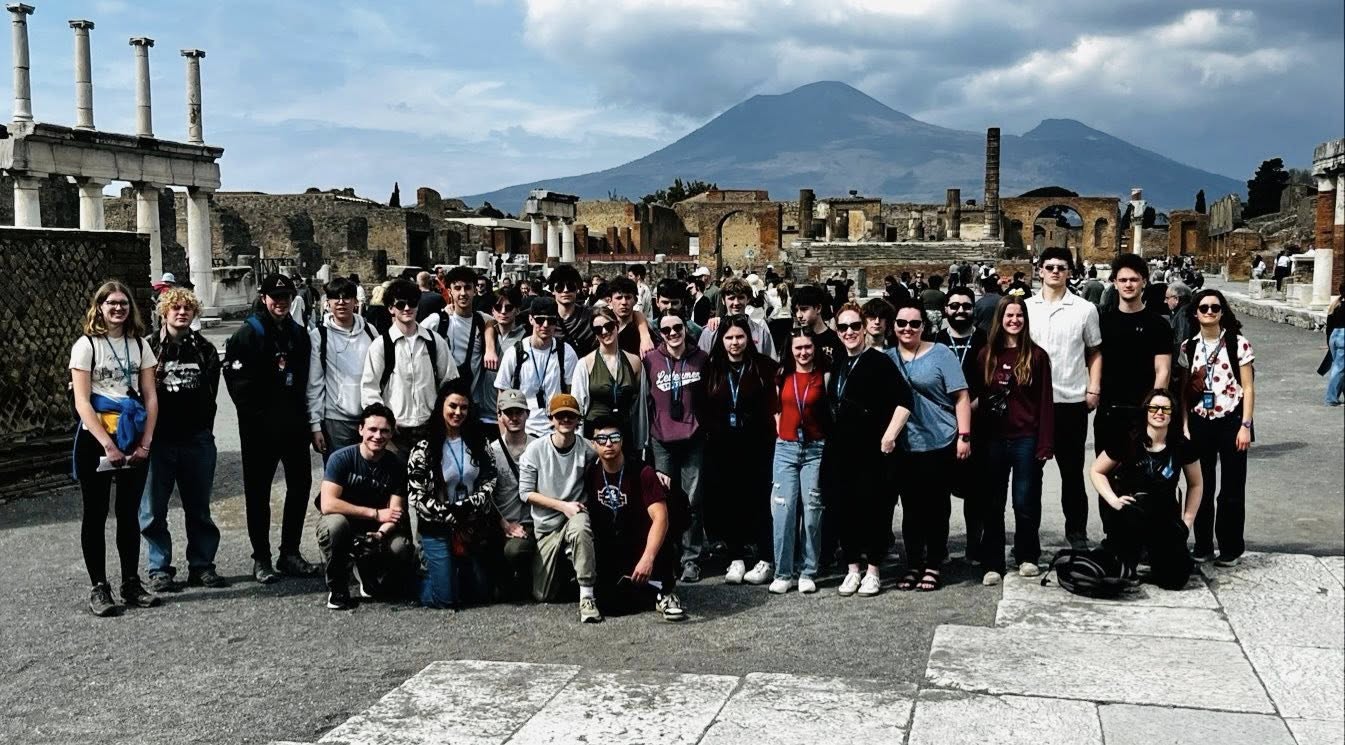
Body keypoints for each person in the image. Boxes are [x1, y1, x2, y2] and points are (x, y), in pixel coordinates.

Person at [70, 281, 161, 616]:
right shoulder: (86, 346)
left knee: (128, 513)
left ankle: (130, 582)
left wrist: (146, 442)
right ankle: (99, 587)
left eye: (123, 303)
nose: (118, 308)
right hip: (97, 436)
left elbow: (150, 395)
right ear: (100, 307)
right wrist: (107, 444)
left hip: (133, 432)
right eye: (111, 303)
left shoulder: (140, 345)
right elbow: (82, 401)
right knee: (95, 514)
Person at [224, 273, 322, 583]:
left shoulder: (298, 334)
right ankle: (261, 557)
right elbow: (238, 387)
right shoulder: (246, 335)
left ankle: (289, 552)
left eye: (286, 297)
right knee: (258, 493)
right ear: (264, 298)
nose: (280, 302)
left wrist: (307, 421)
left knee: (299, 487)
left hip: (293, 426)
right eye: (275, 297)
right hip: (260, 430)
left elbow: (305, 380)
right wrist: (262, 419)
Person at [140, 287, 226, 594]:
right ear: (164, 312)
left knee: (199, 508)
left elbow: (211, 394)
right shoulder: (147, 347)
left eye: (187, 308)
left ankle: (202, 565)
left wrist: (203, 430)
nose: (181, 312)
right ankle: (159, 568)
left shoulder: (204, 349)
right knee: (153, 510)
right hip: (159, 440)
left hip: (196, 439)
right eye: (175, 307)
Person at [825, 304, 913, 597]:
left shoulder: (879, 361)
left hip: (873, 450)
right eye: (843, 327)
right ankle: (853, 569)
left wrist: (889, 436)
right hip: (842, 449)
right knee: (845, 508)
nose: (849, 332)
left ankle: (873, 571)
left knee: (875, 509)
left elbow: (905, 401)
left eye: (854, 326)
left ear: (864, 328)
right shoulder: (839, 362)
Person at [887, 299, 971, 592]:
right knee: (910, 508)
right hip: (905, 444)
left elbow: (961, 396)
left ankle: (933, 563)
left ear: (924, 326)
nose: (907, 328)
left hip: (940, 439)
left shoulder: (941, 354)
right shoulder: (887, 358)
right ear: (894, 326)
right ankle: (913, 564)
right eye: (902, 323)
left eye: (914, 323)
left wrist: (964, 436)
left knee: (936, 506)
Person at [970, 296, 1054, 585]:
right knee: (993, 503)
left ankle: (1027, 555)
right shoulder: (986, 355)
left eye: (1019, 315)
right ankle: (992, 561)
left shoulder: (1037, 356)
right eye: (1009, 315)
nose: (1014, 320)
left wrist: (1045, 442)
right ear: (1000, 319)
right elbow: (977, 399)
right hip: (993, 438)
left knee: (1025, 500)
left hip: (1026, 437)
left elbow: (1045, 401)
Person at [1025, 247, 1102, 550]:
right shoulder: (1026, 308)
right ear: (1040, 270)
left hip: (1070, 400)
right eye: (1050, 267)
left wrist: (1093, 388)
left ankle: (1077, 533)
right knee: (1030, 474)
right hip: (1032, 403)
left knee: (1072, 473)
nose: (1055, 271)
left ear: (1070, 271)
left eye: (1061, 267)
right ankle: (1028, 538)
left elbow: (1094, 351)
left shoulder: (1084, 309)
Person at [1090, 389, 1202, 589]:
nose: (1159, 412)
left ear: (1172, 413)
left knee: (1175, 580)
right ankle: (1127, 561)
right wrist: (1113, 500)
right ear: (1146, 411)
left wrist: (1187, 522)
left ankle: (1158, 563)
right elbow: (1097, 471)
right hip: (1132, 515)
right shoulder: (1129, 439)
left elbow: (1196, 484)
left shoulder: (1181, 444)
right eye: (1154, 408)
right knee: (1120, 576)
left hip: (1164, 516)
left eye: (1165, 409)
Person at [1177, 289, 1255, 567]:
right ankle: (1203, 545)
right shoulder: (1189, 347)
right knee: (1202, 485)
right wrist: (1184, 425)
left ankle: (1231, 547)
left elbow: (1248, 387)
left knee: (1232, 487)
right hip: (1200, 421)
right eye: (1204, 308)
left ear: (1222, 312)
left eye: (1215, 307)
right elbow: (1184, 391)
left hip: (1232, 419)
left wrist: (1246, 426)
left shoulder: (1237, 344)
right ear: (1195, 313)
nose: (1209, 312)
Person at [406, 379, 499, 609]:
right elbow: (416, 495)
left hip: (470, 526)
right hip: (437, 526)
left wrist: (469, 506)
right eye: (453, 406)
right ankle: (417, 579)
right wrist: (448, 512)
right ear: (441, 406)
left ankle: (453, 573)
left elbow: (490, 479)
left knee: (480, 595)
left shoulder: (479, 442)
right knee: (446, 599)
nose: (458, 412)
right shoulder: (423, 447)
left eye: (464, 407)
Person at [702, 315, 779, 586]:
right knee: (730, 501)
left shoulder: (764, 367)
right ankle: (736, 557)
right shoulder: (711, 368)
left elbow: (774, 404)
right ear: (721, 341)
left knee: (760, 500)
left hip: (757, 444)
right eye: (729, 338)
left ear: (748, 338)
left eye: (739, 337)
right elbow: (702, 406)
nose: (734, 343)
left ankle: (766, 557)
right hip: (723, 445)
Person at [316, 403, 416, 610]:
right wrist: (375, 514)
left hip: (375, 530)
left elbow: (395, 512)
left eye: (384, 431)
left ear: (391, 434)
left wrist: (379, 534)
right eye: (372, 429)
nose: (378, 436)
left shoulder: (396, 465)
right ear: (360, 429)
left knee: (401, 547)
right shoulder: (341, 458)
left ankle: (370, 573)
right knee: (334, 525)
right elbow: (327, 504)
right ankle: (338, 587)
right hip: (345, 525)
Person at [586, 416, 685, 621]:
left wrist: (648, 558)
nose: (608, 444)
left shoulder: (642, 472)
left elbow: (661, 518)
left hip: (643, 539)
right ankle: (648, 592)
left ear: (622, 440)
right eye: (601, 439)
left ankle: (665, 592)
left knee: (662, 534)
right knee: (608, 604)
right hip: (613, 542)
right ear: (593, 444)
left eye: (614, 438)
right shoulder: (591, 472)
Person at [519, 394, 601, 622]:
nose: (565, 420)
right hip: (547, 525)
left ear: (578, 420)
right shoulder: (535, 450)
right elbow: (525, 493)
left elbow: (613, 462)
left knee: (581, 526)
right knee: (543, 594)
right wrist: (561, 506)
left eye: (570, 416)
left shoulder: (588, 449)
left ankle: (587, 596)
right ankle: (568, 563)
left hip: (576, 514)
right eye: (560, 416)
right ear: (551, 419)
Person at [643, 309, 711, 583]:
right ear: (660, 333)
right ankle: (667, 557)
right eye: (666, 329)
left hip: (693, 438)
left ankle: (691, 559)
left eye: (678, 327)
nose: (673, 333)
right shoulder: (650, 360)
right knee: (665, 500)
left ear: (686, 329)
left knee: (693, 500)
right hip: (662, 439)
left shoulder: (701, 358)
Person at [361, 278, 457, 452]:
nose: (407, 308)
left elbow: (450, 381)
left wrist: (444, 417)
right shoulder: (381, 345)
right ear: (391, 308)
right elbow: (369, 389)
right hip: (395, 432)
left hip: (430, 427)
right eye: (400, 304)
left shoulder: (434, 341)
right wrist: (383, 422)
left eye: (412, 303)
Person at [769, 328, 830, 594]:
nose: (803, 352)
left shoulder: (824, 375)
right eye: (798, 348)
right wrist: (781, 429)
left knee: (813, 511)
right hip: (786, 449)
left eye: (808, 347)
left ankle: (808, 570)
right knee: (783, 511)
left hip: (815, 449)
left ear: (815, 348)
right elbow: (776, 408)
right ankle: (783, 572)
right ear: (790, 350)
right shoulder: (782, 374)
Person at [1096, 254, 1172, 460]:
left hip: (1143, 411)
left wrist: (1154, 408)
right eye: (1123, 280)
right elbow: (1094, 362)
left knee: (1143, 473)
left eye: (1134, 279)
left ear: (1144, 282)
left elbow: (1163, 370)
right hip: (1109, 410)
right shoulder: (1103, 322)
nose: (1128, 285)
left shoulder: (1158, 325)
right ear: (1114, 283)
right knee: (1104, 473)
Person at [934, 285, 988, 559]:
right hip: (940, 426)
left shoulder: (985, 341)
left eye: (966, 306)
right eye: (954, 306)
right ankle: (939, 546)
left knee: (976, 492)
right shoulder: (935, 341)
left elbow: (992, 383)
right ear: (945, 309)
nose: (960, 311)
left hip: (978, 423)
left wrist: (969, 408)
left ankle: (974, 546)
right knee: (939, 492)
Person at [420, 266, 501, 429]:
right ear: (450, 291)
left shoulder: (482, 321)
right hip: (441, 403)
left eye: (467, 288)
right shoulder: (438, 321)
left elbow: (494, 322)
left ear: (475, 290)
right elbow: (414, 336)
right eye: (457, 288)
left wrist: (490, 348)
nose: (463, 293)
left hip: (472, 405)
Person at [308, 277, 378, 461]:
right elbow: (315, 383)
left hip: (368, 417)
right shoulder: (319, 336)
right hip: (336, 421)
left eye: (346, 297)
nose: (341, 302)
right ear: (328, 302)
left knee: (369, 473)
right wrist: (315, 425)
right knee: (338, 474)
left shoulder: (370, 331)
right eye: (335, 297)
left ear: (355, 301)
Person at [494, 297, 580, 437]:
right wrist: (506, 439)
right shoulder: (515, 353)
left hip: (557, 431)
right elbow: (502, 399)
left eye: (551, 321)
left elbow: (573, 395)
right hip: (523, 431)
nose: (545, 325)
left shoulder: (566, 352)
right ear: (531, 319)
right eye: (540, 320)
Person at [571, 306, 646, 448]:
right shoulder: (585, 364)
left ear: (617, 325)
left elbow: (639, 406)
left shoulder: (634, 362)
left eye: (609, 326)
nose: (605, 332)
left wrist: (641, 441)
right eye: (598, 329)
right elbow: (578, 405)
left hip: (624, 434)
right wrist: (579, 443)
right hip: (596, 436)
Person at [487, 389, 536, 598]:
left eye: (519, 412)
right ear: (500, 416)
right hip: (503, 522)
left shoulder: (539, 447)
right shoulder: (491, 451)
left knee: (516, 550)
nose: (514, 417)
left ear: (527, 414)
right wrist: (503, 524)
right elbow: (486, 495)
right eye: (508, 413)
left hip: (532, 523)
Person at [699, 277, 779, 361]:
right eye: (731, 298)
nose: (736, 303)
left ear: (748, 299)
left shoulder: (761, 333)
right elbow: (700, 363)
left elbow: (772, 363)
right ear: (723, 300)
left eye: (740, 297)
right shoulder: (711, 331)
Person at [792, 284, 845, 367]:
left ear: (818, 308)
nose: (799, 315)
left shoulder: (835, 341)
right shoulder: (794, 340)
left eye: (804, 309)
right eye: (796, 310)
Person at [1164, 282, 1195, 369]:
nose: (1165, 301)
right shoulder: (1188, 310)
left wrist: (1176, 367)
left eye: (1167, 298)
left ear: (1176, 299)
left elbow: (1181, 343)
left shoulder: (1183, 315)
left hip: (1181, 366)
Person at [1324, 283, 1345, 406]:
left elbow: (1329, 325)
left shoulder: (1335, 305)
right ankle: (1331, 398)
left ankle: (1335, 396)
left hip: (1334, 336)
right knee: (1339, 369)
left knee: (1340, 368)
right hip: (1343, 337)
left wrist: (1328, 342)